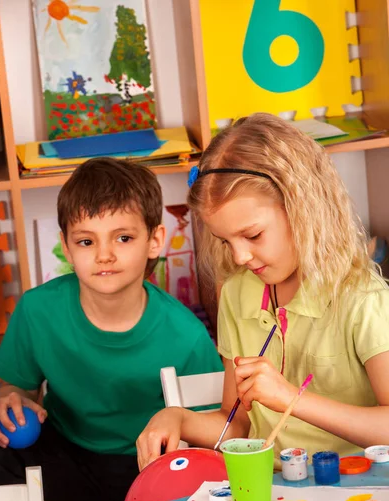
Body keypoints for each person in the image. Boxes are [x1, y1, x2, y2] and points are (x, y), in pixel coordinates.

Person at [137, 112, 389, 471]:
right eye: (226, 241)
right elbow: (236, 422)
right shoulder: (238, 295)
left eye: (252, 235)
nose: (239, 256)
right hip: (276, 497)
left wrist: (289, 398)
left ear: (303, 208)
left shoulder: (363, 299)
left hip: (358, 493)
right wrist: (178, 419)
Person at [0, 157, 223, 501]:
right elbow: (18, 387)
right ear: (66, 247)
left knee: (200, 476)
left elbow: (212, 429)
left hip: (146, 463)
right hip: (65, 453)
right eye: (86, 242)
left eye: (123, 238)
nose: (104, 255)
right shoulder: (37, 310)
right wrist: (13, 400)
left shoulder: (185, 334)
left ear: (155, 240)